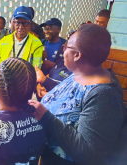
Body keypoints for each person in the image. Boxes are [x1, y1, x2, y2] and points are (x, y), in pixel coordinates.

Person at [28, 24, 127, 165]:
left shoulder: (104, 96)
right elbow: (74, 94)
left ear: (77, 55)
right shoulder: (82, 73)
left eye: (67, 47)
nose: (64, 50)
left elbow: (88, 151)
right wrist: (48, 86)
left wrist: (45, 116)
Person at [0, 6, 43, 72]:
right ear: (13, 23)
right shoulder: (3, 41)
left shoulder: (37, 44)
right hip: (5, 79)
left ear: (31, 24)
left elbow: (36, 69)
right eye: (17, 23)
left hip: (24, 81)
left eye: (25, 23)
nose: (21, 27)